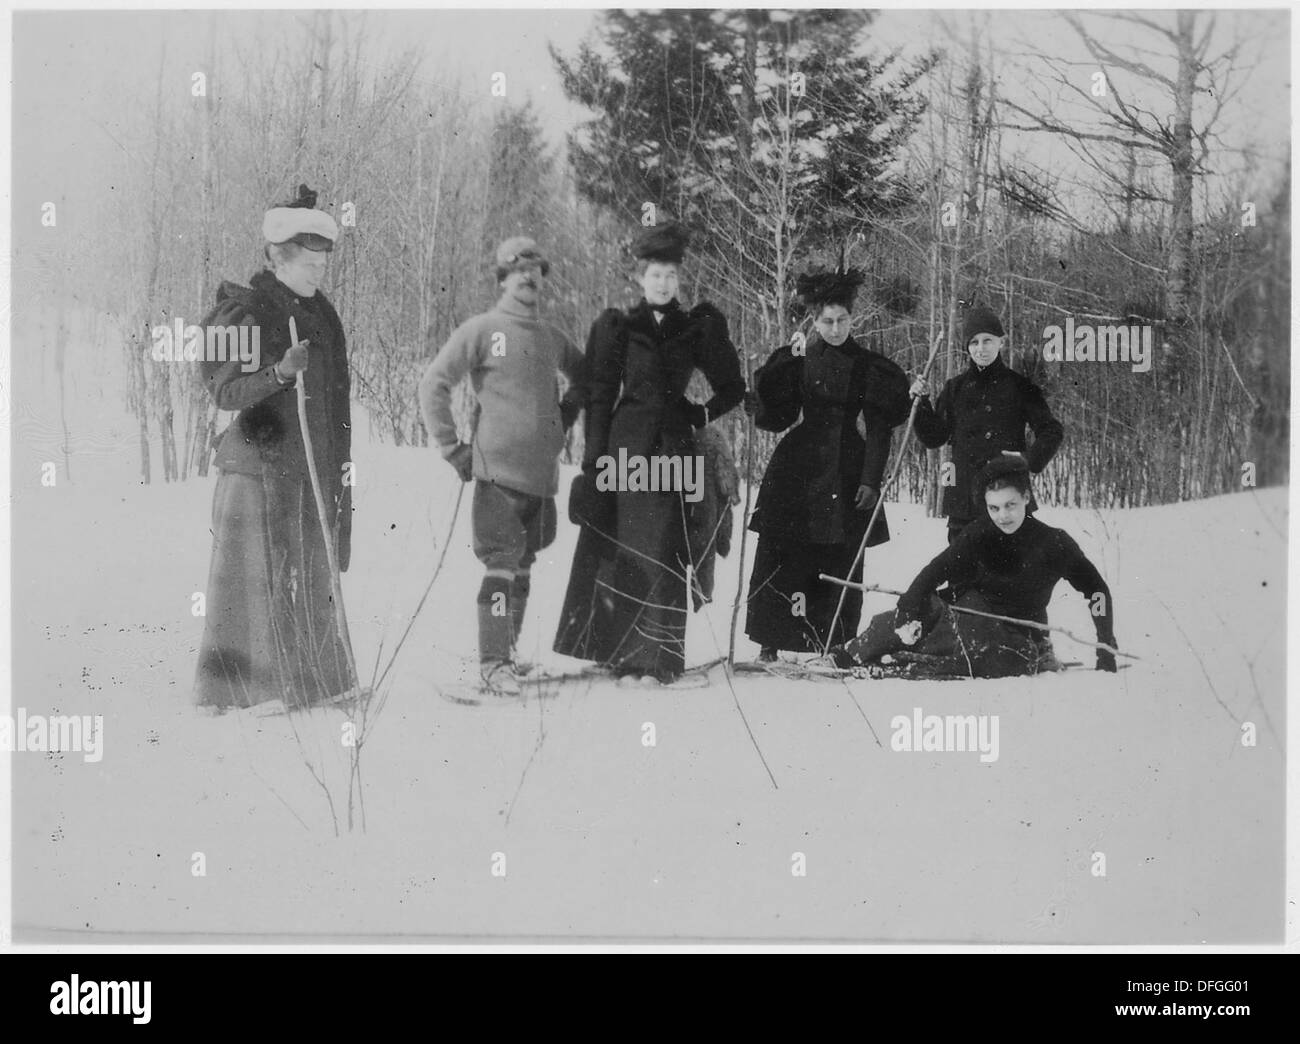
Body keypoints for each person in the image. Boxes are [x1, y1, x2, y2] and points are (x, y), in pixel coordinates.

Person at [554, 222, 745, 685]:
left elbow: (732, 386)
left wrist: (700, 416)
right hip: (626, 444)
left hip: (675, 448)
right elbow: (600, 398)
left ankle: (659, 659)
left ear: (680, 280)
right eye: (655, 274)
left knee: (664, 546)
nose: (663, 283)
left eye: (671, 276)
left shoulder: (694, 327)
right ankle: (620, 655)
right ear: (641, 277)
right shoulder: (620, 326)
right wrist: (592, 464)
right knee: (623, 546)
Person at [194, 184, 354, 712]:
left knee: (310, 570)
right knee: (255, 582)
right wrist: (280, 374)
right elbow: (224, 391)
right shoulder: (247, 309)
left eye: (323, 262)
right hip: (256, 470)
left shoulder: (323, 315)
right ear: (279, 258)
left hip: (308, 470)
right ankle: (245, 692)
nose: (318, 272)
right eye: (309, 262)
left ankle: (315, 683)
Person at [419, 236, 587, 696]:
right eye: (518, 273)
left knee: (524, 565)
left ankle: (507, 656)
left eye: (535, 274)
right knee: (500, 564)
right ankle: (493, 664)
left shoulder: (552, 339)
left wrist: (564, 416)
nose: (528, 280)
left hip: (542, 478)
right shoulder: (482, 329)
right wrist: (452, 447)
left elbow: (586, 376)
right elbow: (434, 383)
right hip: (497, 476)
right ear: (503, 279)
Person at [743, 267, 912, 659]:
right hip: (797, 464)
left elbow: (879, 427)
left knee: (840, 557)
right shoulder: (798, 360)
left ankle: (832, 643)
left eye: (842, 321)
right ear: (814, 321)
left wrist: (871, 479)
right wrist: (759, 404)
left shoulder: (869, 366)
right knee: (782, 550)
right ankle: (772, 642)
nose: (834, 329)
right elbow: (779, 418)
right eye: (826, 321)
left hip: (848, 463)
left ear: (852, 320)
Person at [826, 457, 1119, 677]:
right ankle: (850, 654)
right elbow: (936, 570)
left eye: (1011, 505)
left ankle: (899, 663)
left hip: (1016, 637)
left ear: (1027, 498)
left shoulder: (1054, 543)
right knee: (905, 620)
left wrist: (1106, 645)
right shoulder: (980, 533)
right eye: (994, 508)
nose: (1002, 516)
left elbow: (1097, 591)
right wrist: (910, 604)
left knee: (979, 645)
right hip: (965, 614)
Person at [912, 304, 1064, 543]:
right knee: (961, 577)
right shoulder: (955, 388)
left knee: (1008, 576)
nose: (980, 348)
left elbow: (1052, 430)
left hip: (1008, 501)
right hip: (964, 505)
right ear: (967, 347)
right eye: (974, 342)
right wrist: (922, 405)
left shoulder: (1020, 386)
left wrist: (1028, 459)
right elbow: (935, 437)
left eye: (987, 340)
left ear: (1001, 342)